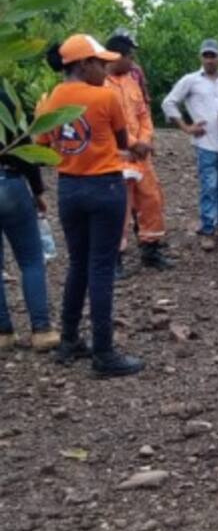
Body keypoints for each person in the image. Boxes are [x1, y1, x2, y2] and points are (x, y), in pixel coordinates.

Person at [37, 34, 143, 377]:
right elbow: (122, 140)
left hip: (69, 189)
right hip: (104, 187)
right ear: (83, 65)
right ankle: (104, 352)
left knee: (78, 264)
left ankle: (69, 339)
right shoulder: (105, 96)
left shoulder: (51, 99)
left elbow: (42, 143)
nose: (105, 69)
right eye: (100, 63)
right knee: (101, 268)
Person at [162, 38, 218, 252]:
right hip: (206, 143)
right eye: (206, 55)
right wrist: (186, 127)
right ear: (201, 57)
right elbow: (168, 102)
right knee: (209, 188)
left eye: (213, 56)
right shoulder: (191, 80)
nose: (209, 60)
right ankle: (208, 230)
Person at [105, 30, 172, 273]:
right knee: (119, 210)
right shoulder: (100, 85)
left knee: (152, 201)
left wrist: (144, 140)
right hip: (117, 158)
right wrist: (133, 144)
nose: (133, 62)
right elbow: (108, 123)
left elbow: (144, 115)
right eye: (130, 57)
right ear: (116, 56)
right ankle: (115, 259)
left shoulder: (132, 82)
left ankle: (150, 250)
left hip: (141, 158)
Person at [0, 85, 57, 353]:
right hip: (10, 181)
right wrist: (37, 191)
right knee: (31, 260)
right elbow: (24, 147)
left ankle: (3, 333)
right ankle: (41, 330)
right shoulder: (5, 96)